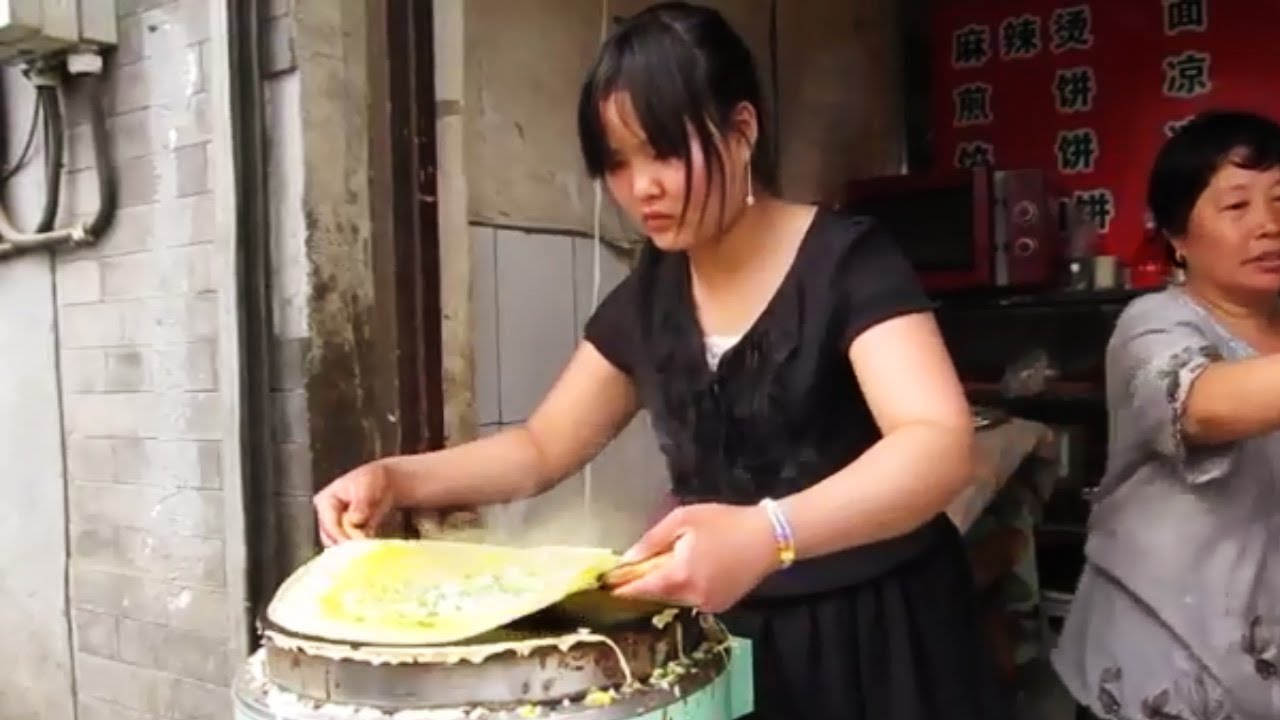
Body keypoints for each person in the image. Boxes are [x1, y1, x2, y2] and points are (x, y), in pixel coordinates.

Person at [313, 3, 1008, 718]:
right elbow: (539, 448)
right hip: (721, 641)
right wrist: (396, 478)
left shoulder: (848, 263)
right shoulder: (648, 299)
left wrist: (769, 534)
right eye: (617, 162)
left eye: (665, 152)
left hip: (879, 640)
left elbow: (935, 443)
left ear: (743, 131)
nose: (641, 186)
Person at [1052, 110, 1280, 720]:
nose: (1269, 225)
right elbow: (1201, 404)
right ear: (1178, 236)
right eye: (1237, 207)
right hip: (1161, 669)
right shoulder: (1152, 323)